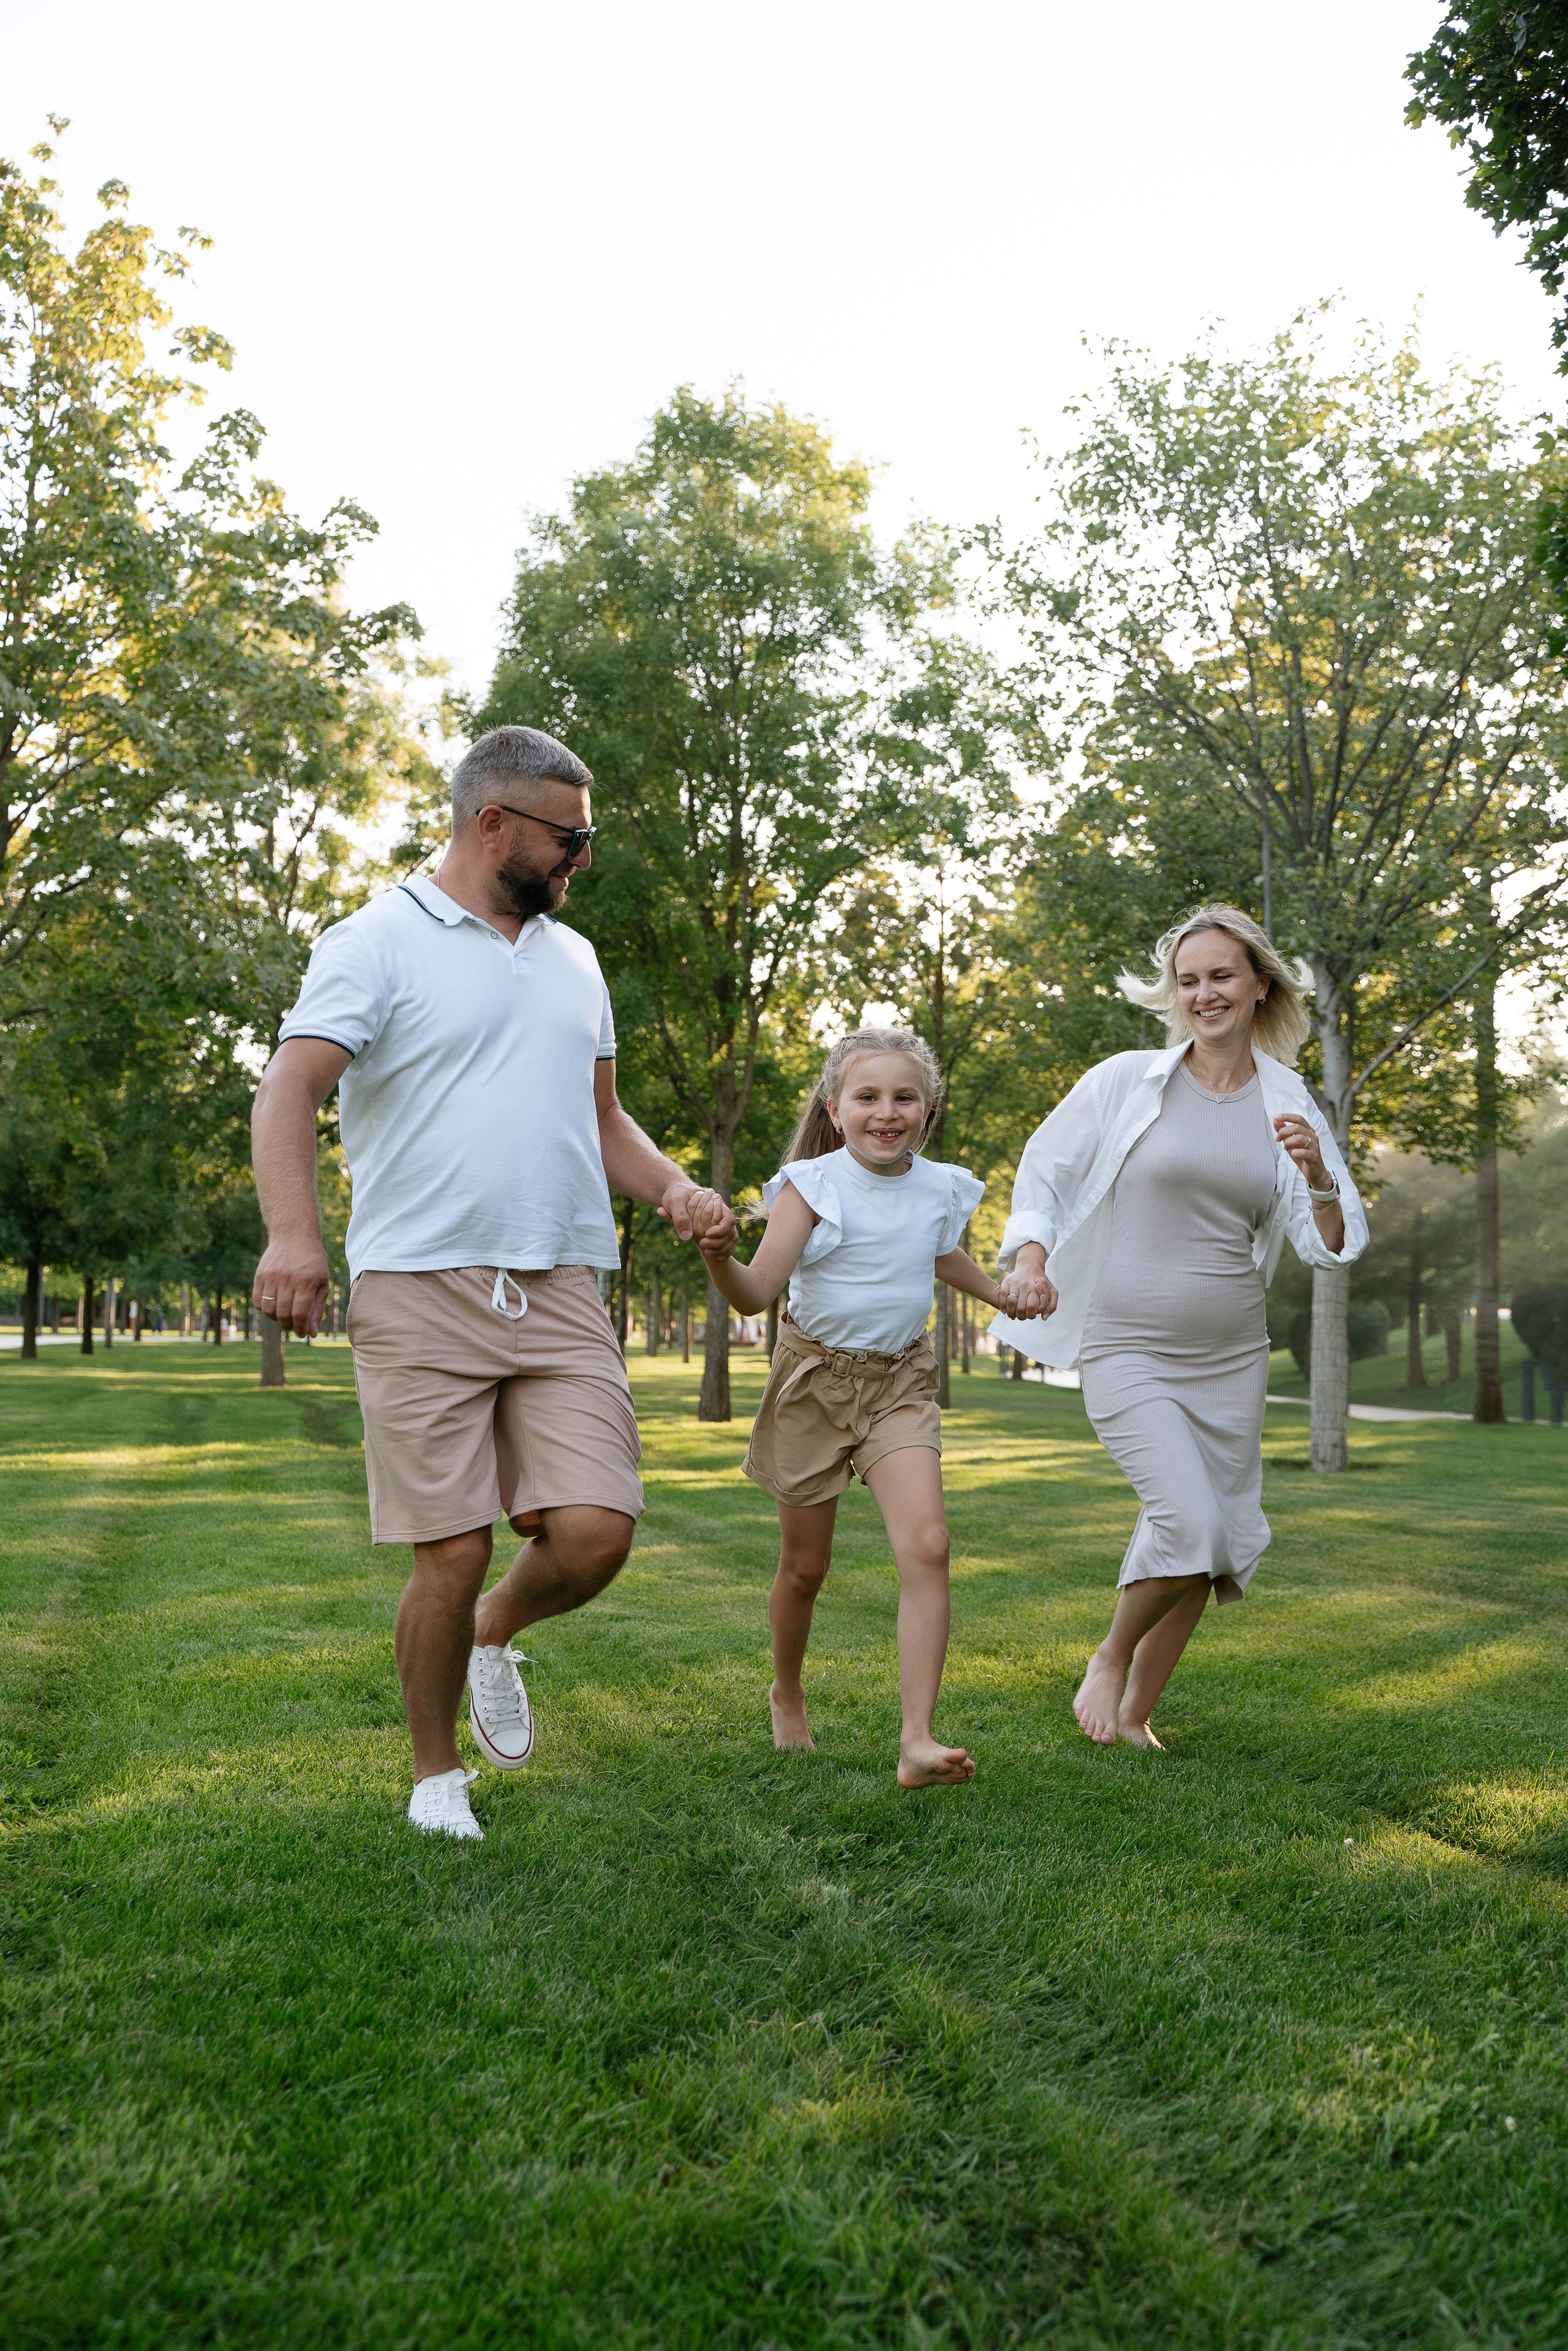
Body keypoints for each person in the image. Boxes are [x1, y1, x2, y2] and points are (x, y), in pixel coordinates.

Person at [251, 724, 734, 1842]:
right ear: (493, 823)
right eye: (571, 838)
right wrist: (294, 1236)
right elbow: (289, 1088)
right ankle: (436, 1779)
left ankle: (492, 1634)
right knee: (454, 1548)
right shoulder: (376, 940)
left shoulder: (576, 958)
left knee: (597, 1532)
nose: (583, 857)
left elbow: (603, 1117)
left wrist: (674, 1187)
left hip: (560, 1278)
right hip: (420, 1282)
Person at [992, 904, 1367, 1749]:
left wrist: (1316, 1173)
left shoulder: (1288, 1101)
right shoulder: (1128, 1080)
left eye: (1221, 975)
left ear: (1259, 985)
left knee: (1216, 1537)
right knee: (1191, 1521)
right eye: (1189, 980)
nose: (1205, 994)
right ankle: (1109, 1655)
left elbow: (1328, 1244)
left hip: (1231, 1357)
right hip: (1128, 1346)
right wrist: (1031, 1260)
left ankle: (1135, 1715)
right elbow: (1046, 1170)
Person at [698, 1027, 1054, 1786]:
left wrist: (999, 1294)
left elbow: (935, 1250)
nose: (886, 1112)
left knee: (928, 1544)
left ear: (926, 1109)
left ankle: (916, 1740)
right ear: (835, 1109)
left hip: (899, 1382)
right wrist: (719, 1258)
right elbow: (755, 1294)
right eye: (867, 1097)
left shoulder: (940, 1187)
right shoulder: (811, 1187)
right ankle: (786, 1689)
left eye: (904, 1097)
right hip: (813, 1384)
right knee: (805, 1569)